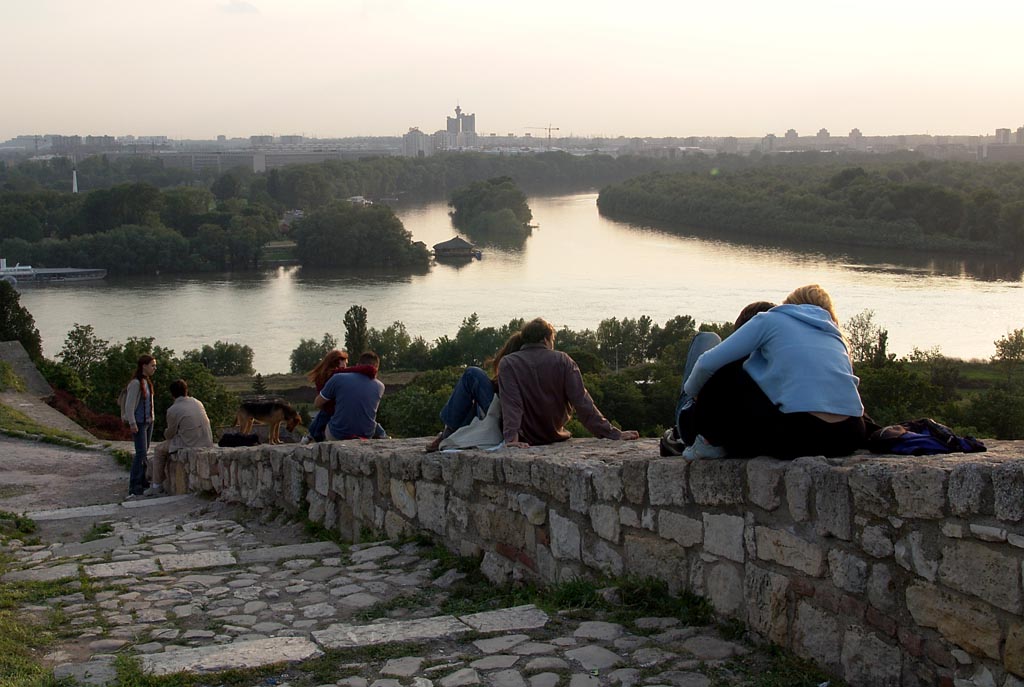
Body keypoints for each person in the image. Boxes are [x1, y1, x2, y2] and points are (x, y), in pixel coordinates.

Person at [681, 284, 865, 459]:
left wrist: (692, 395)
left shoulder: (772, 319)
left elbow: (706, 364)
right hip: (849, 436)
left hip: (800, 436)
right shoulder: (835, 335)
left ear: (789, 305)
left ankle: (709, 439)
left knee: (727, 371)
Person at [498, 317, 639, 447]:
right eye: (552, 340)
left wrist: (511, 440)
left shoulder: (508, 363)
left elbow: (512, 405)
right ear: (545, 340)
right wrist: (613, 434)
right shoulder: (563, 360)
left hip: (527, 438)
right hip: (554, 435)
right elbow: (582, 402)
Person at [661, 301, 776, 456]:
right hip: (749, 433)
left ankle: (676, 435)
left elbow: (692, 389)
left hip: (696, 426)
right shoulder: (781, 366)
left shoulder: (730, 364)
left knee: (707, 338)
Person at [425, 333, 522, 452]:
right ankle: (451, 432)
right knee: (474, 401)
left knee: (472, 374)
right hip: (509, 417)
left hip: (504, 417)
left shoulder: (512, 365)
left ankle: (448, 432)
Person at [144, 379, 213, 496]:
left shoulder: (173, 410)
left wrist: (165, 434)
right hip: (207, 440)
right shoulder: (197, 402)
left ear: (172, 394)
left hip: (190, 443)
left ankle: (156, 485)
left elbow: (170, 433)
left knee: (159, 450)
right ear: (186, 390)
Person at [315, 351, 386, 440]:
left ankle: (313, 439)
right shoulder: (380, 386)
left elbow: (317, 403)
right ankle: (384, 437)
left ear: (357, 365)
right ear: (376, 369)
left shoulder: (338, 377)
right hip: (366, 435)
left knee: (325, 416)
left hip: (338, 435)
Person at [122, 354, 157, 497]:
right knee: (141, 453)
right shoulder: (136, 383)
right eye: (152, 365)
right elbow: (129, 405)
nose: (155, 368)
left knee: (144, 452)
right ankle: (135, 484)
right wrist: (132, 423)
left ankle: (142, 481)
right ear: (144, 366)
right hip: (139, 422)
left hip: (148, 421)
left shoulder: (146, 382)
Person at [303, 349, 348, 444]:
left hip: (327, 407)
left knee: (321, 417)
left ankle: (309, 436)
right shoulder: (337, 375)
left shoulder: (321, 376)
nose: (346, 366)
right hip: (335, 408)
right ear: (339, 361)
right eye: (345, 363)